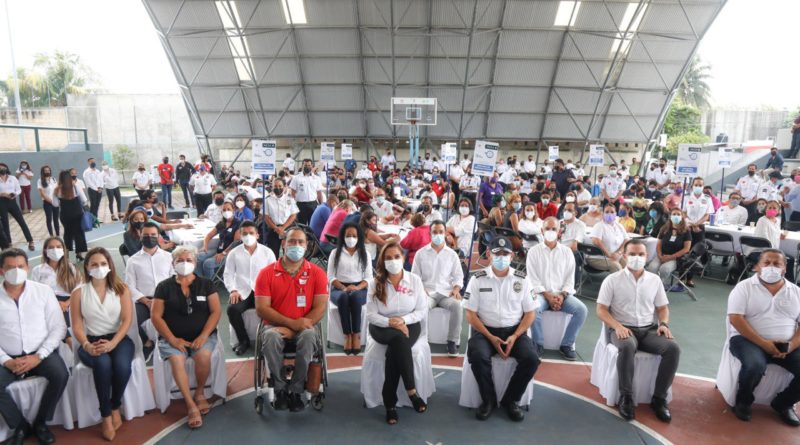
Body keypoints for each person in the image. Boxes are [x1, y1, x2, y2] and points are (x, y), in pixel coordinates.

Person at [596, 239, 680, 422]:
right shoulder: (612, 280)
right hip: (623, 328)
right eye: (632, 254)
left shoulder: (654, 280)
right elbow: (601, 309)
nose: (636, 258)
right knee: (627, 346)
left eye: (640, 254)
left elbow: (662, 308)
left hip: (648, 330)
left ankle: (659, 398)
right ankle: (626, 397)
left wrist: (663, 324)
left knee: (673, 349)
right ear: (625, 257)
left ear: (646, 256)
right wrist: (617, 326)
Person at [465, 235, 539, 422]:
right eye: (497, 253)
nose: (501, 257)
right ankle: (488, 400)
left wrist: (515, 336)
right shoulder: (477, 279)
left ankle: (510, 400)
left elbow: (530, 313)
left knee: (531, 359)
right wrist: (490, 337)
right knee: (477, 355)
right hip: (485, 330)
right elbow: (470, 315)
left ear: (512, 256)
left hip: (514, 331)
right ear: (489, 254)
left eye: (505, 253)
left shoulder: (522, 280)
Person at [254, 227, 328, 412]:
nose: (297, 245)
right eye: (292, 241)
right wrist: (292, 324)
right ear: (283, 244)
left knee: (309, 337)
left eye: (301, 242)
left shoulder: (317, 273)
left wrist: (296, 328)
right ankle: (279, 390)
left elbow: (320, 308)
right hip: (274, 327)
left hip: (305, 326)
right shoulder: (266, 273)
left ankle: (295, 391)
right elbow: (262, 308)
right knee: (270, 338)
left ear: (307, 245)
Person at [0, 248, 69, 445]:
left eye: (20, 266)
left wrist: (39, 356)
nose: (16, 271)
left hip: (41, 353)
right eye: (10, 267)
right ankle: (20, 425)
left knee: (60, 375)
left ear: (27, 267)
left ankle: (41, 422)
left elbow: (58, 327)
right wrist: (6, 361)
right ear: (1, 271)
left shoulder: (43, 292)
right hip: (8, 357)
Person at [726, 249, 800, 426]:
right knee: (754, 365)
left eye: (777, 264)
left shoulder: (796, 292)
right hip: (748, 340)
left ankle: (784, 403)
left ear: (784, 268)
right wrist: (765, 344)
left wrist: (791, 346)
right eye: (767, 263)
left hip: (787, 344)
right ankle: (743, 401)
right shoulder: (744, 287)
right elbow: (735, 319)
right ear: (757, 266)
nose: (771, 267)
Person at [152, 245, 221, 429]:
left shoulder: (206, 284)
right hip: (172, 338)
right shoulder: (163, 287)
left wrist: (204, 336)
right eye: (180, 260)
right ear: (173, 263)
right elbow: (156, 316)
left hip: (202, 336)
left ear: (195, 263)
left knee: (203, 356)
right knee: (176, 359)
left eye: (188, 260)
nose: (184, 264)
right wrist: (173, 340)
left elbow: (215, 312)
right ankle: (190, 404)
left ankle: (199, 393)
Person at [70, 247, 134, 440]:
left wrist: (113, 343)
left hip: (118, 338)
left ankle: (115, 406)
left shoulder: (121, 288)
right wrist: (87, 345)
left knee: (122, 367)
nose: (99, 267)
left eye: (103, 264)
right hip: (91, 341)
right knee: (102, 363)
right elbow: (77, 326)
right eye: (94, 264)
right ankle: (106, 415)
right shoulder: (78, 293)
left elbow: (127, 320)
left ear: (110, 265)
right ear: (87, 267)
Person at [365, 240, 428, 424]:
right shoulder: (375, 283)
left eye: (396, 257)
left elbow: (422, 310)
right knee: (398, 340)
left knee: (396, 347)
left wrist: (403, 321)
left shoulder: (414, 280)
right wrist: (390, 322)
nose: (393, 261)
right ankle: (412, 392)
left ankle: (390, 404)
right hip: (381, 326)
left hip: (409, 323)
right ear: (383, 261)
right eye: (388, 258)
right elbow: (370, 314)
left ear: (403, 258)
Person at [526, 217, 586, 360]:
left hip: (562, 294)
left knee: (581, 310)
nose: (550, 231)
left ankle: (566, 344)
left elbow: (569, 280)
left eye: (554, 229)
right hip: (541, 294)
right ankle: (537, 343)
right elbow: (533, 280)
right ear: (542, 231)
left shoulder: (566, 252)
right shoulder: (533, 252)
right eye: (547, 229)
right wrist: (548, 296)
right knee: (533, 308)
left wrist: (562, 296)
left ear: (559, 232)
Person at [412, 221, 464, 356]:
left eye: (441, 232)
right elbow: (414, 277)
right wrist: (421, 291)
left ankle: (452, 342)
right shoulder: (420, 253)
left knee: (457, 306)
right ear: (430, 233)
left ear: (445, 233)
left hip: (446, 293)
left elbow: (459, 276)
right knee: (421, 306)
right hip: (427, 292)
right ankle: (421, 338)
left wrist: (456, 289)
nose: (438, 235)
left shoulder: (452, 254)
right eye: (435, 232)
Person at [224, 221, 276, 356]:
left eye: (251, 233)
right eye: (245, 234)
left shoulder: (267, 252)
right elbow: (228, 274)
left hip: (263, 292)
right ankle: (243, 341)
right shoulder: (234, 253)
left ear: (257, 235)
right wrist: (233, 290)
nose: (248, 236)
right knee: (232, 309)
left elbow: (275, 274)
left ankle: (268, 340)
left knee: (274, 309)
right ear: (240, 236)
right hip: (242, 292)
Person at [125, 222, 175, 358]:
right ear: (140, 237)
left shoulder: (168, 257)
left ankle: (169, 342)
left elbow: (173, 280)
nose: (150, 237)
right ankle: (147, 343)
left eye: (153, 235)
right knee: (129, 318)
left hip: (165, 300)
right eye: (146, 235)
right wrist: (145, 301)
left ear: (158, 236)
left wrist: (163, 299)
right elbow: (129, 285)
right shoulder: (133, 260)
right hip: (143, 301)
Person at [327, 222, 372, 356]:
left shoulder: (365, 253)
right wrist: (342, 287)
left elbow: (369, 278)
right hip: (339, 287)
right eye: (348, 235)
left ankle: (356, 334)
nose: (351, 238)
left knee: (355, 297)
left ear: (359, 237)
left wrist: (357, 287)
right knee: (343, 297)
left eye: (354, 235)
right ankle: (347, 335)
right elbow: (330, 276)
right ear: (343, 236)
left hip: (360, 288)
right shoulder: (335, 253)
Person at [30, 236, 82, 339]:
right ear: (45, 250)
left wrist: (66, 303)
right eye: (51, 247)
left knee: (68, 320)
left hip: (69, 301)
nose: (55, 250)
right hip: (48, 302)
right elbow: (34, 292)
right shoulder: (38, 270)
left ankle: (70, 341)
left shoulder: (71, 267)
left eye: (58, 247)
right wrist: (54, 304)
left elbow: (79, 288)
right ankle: (67, 340)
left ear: (63, 249)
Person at [647, 208, 692, 288]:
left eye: (678, 214)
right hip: (662, 255)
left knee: (664, 269)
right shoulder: (664, 228)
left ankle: (659, 287)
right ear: (670, 216)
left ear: (682, 217)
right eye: (674, 214)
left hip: (675, 258)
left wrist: (671, 257)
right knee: (651, 268)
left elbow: (686, 249)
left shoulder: (686, 231)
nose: (676, 216)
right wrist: (660, 255)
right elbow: (659, 244)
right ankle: (651, 286)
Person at [755, 200, 795, 282]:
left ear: (778, 211)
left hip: (774, 249)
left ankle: (785, 281)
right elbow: (764, 240)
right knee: (789, 260)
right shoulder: (762, 220)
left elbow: (774, 232)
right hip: (764, 251)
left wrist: (780, 235)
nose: (771, 209)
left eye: (774, 208)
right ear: (766, 209)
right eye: (769, 207)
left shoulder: (777, 220)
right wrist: (775, 253)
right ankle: (786, 282)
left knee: (791, 258)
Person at [198, 201, 241, 278]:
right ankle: (201, 280)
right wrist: (205, 246)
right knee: (199, 256)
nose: (226, 211)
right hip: (219, 250)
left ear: (233, 210)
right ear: (221, 212)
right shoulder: (222, 223)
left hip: (230, 253)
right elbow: (208, 236)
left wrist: (223, 253)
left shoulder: (238, 224)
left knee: (208, 263)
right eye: (224, 210)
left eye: (228, 209)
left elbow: (235, 243)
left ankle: (209, 286)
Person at [53, 169, 88, 260]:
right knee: (79, 233)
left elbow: (55, 204)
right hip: (77, 214)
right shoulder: (75, 186)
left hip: (65, 214)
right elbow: (84, 200)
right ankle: (79, 254)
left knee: (67, 233)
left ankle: (66, 254)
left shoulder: (57, 189)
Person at [0, 164, 34, 251]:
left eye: (3, 168)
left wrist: (15, 194)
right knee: (5, 223)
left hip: (12, 201)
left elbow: (19, 189)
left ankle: (30, 241)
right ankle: (9, 243)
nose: (2, 169)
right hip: (1, 202)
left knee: (21, 221)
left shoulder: (12, 178)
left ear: (6, 169)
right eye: (0, 168)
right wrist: (2, 194)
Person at [264, 178, 299, 259]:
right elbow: (266, 216)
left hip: (288, 229)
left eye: (280, 186)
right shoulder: (268, 200)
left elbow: (293, 215)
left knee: (289, 254)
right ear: (272, 187)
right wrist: (276, 228)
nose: (278, 188)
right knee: (273, 255)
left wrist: (283, 228)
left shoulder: (289, 199)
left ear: (284, 186)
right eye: (275, 186)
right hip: (273, 230)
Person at [589, 204, 629, 272]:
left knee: (629, 265)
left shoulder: (619, 225)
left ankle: (630, 282)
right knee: (617, 267)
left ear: (616, 213)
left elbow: (626, 240)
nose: (609, 214)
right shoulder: (599, 226)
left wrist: (619, 253)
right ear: (603, 213)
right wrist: (609, 255)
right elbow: (596, 241)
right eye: (607, 212)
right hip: (600, 257)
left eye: (612, 212)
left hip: (617, 254)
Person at [290, 159, 323, 225]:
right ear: (302, 166)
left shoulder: (317, 178)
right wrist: (292, 207)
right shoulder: (296, 178)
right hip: (300, 205)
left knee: (313, 224)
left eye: (309, 165)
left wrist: (321, 205)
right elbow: (292, 193)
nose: (307, 166)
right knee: (301, 225)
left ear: (312, 166)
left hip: (313, 204)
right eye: (305, 165)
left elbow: (319, 193)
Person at [561, 202, 586, 284]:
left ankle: (573, 284)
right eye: (565, 210)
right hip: (557, 249)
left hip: (571, 251)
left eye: (569, 210)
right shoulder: (559, 223)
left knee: (572, 256)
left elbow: (575, 245)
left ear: (575, 213)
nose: (566, 212)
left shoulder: (580, 225)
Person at [38, 165, 59, 237]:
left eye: (48, 170)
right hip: (47, 202)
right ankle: (51, 235)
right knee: (49, 219)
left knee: (56, 219)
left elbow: (57, 189)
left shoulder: (54, 179)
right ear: (43, 172)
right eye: (45, 170)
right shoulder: (40, 180)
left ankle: (58, 235)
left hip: (55, 201)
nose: (47, 171)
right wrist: (49, 200)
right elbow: (42, 193)